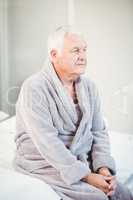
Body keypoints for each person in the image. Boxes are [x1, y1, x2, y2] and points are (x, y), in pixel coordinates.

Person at [14, 26, 133, 200]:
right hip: (43, 161)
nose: (83, 56)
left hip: (78, 158)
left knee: (122, 193)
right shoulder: (34, 88)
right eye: (75, 50)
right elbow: (48, 142)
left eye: (85, 50)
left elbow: (99, 132)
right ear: (54, 55)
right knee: (97, 197)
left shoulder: (89, 87)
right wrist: (86, 175)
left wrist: (103, 169)